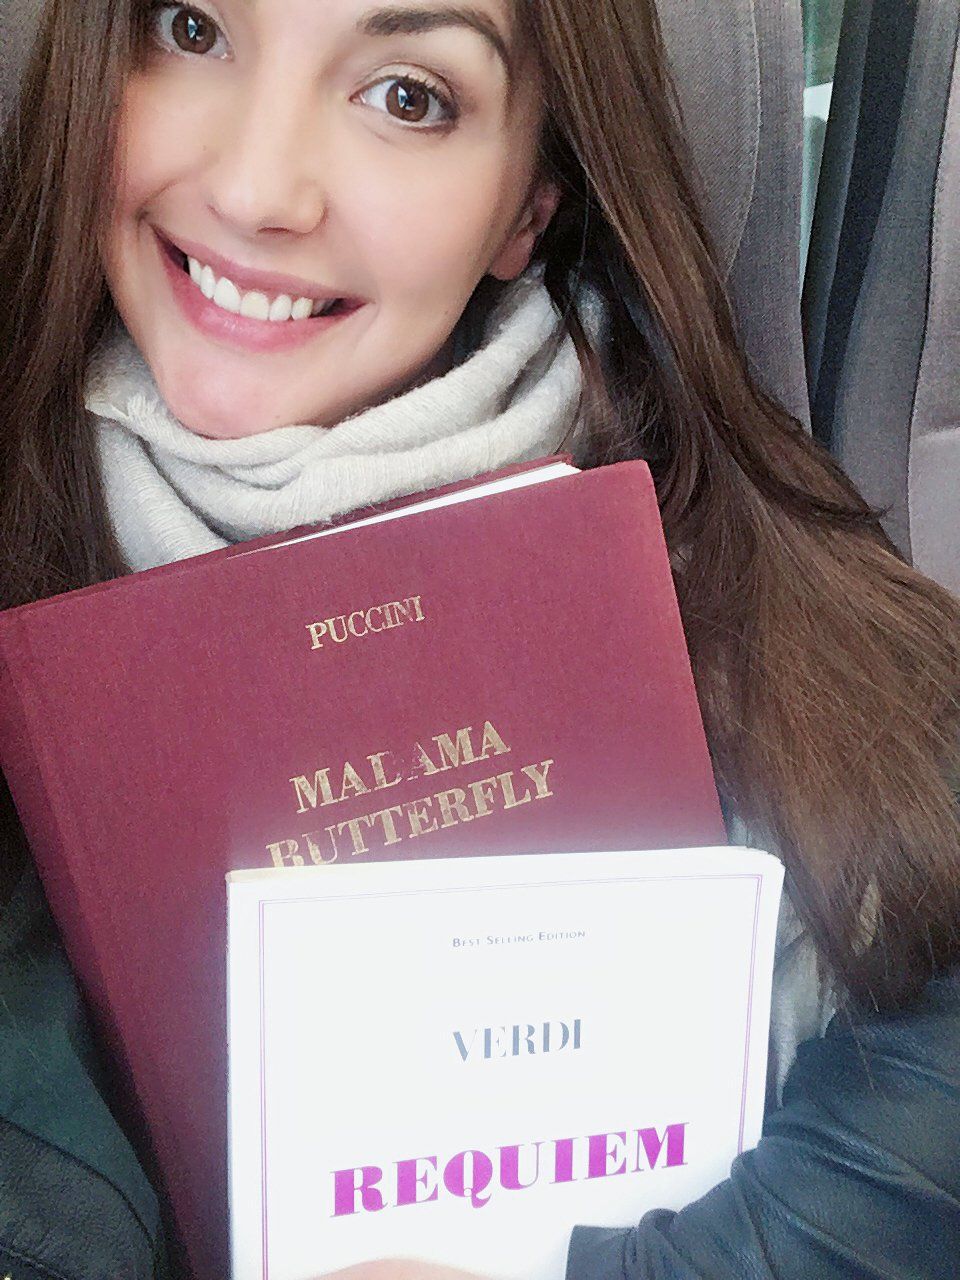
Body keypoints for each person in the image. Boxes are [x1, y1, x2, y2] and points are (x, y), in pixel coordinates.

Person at [1, 0, 958, 1276]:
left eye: (409, 96)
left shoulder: (780, 598)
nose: (256, 188)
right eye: (193, 28)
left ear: (527, 209)